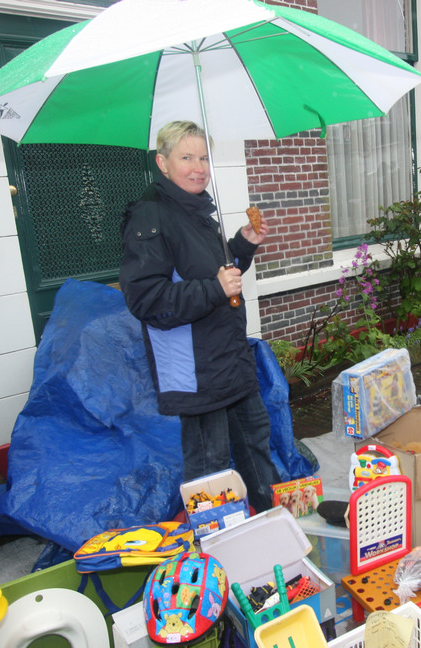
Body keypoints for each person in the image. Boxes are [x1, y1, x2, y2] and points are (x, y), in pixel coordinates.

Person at [119, 120, 280, 514]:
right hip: (195, 371)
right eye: (187, 158)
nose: (198, 168)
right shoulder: (150, 217)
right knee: (210, 471)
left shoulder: (196, 210)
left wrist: (242, 245)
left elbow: (216, 270)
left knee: (256, 446)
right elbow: (147, 300)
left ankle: (275, 524)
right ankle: (214, 543)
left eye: (204, 158)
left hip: (229, 359)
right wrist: (214, 289)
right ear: (163, 163)